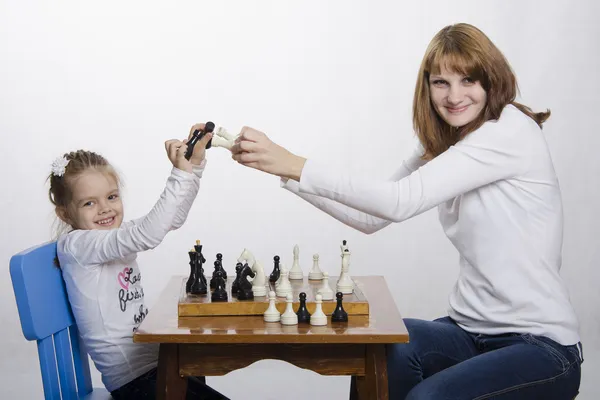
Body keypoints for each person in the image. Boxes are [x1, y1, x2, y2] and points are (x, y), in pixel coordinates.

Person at [229, 23, 582, 399]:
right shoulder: (446, 138)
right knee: (379, 354)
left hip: (540, 346)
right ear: (426, 86)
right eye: (440, 82)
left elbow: (399, 202)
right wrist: (282, 169)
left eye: (468, 80)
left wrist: (295, 162)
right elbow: (371, 218)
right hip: (467, 330)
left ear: (491, 80)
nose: (454, 96)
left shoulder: (508, 131)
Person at [48, 123, 228, 399]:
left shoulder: (112, 237)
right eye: (89, 203)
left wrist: (195, 165)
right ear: (64, 214)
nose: (105, 208)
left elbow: (172, 220)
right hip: (134, 383)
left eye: (111, 197)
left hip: (157, 367)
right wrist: (179, 172)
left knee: (194, 359)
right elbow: (150, 233)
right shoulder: (78, 245)